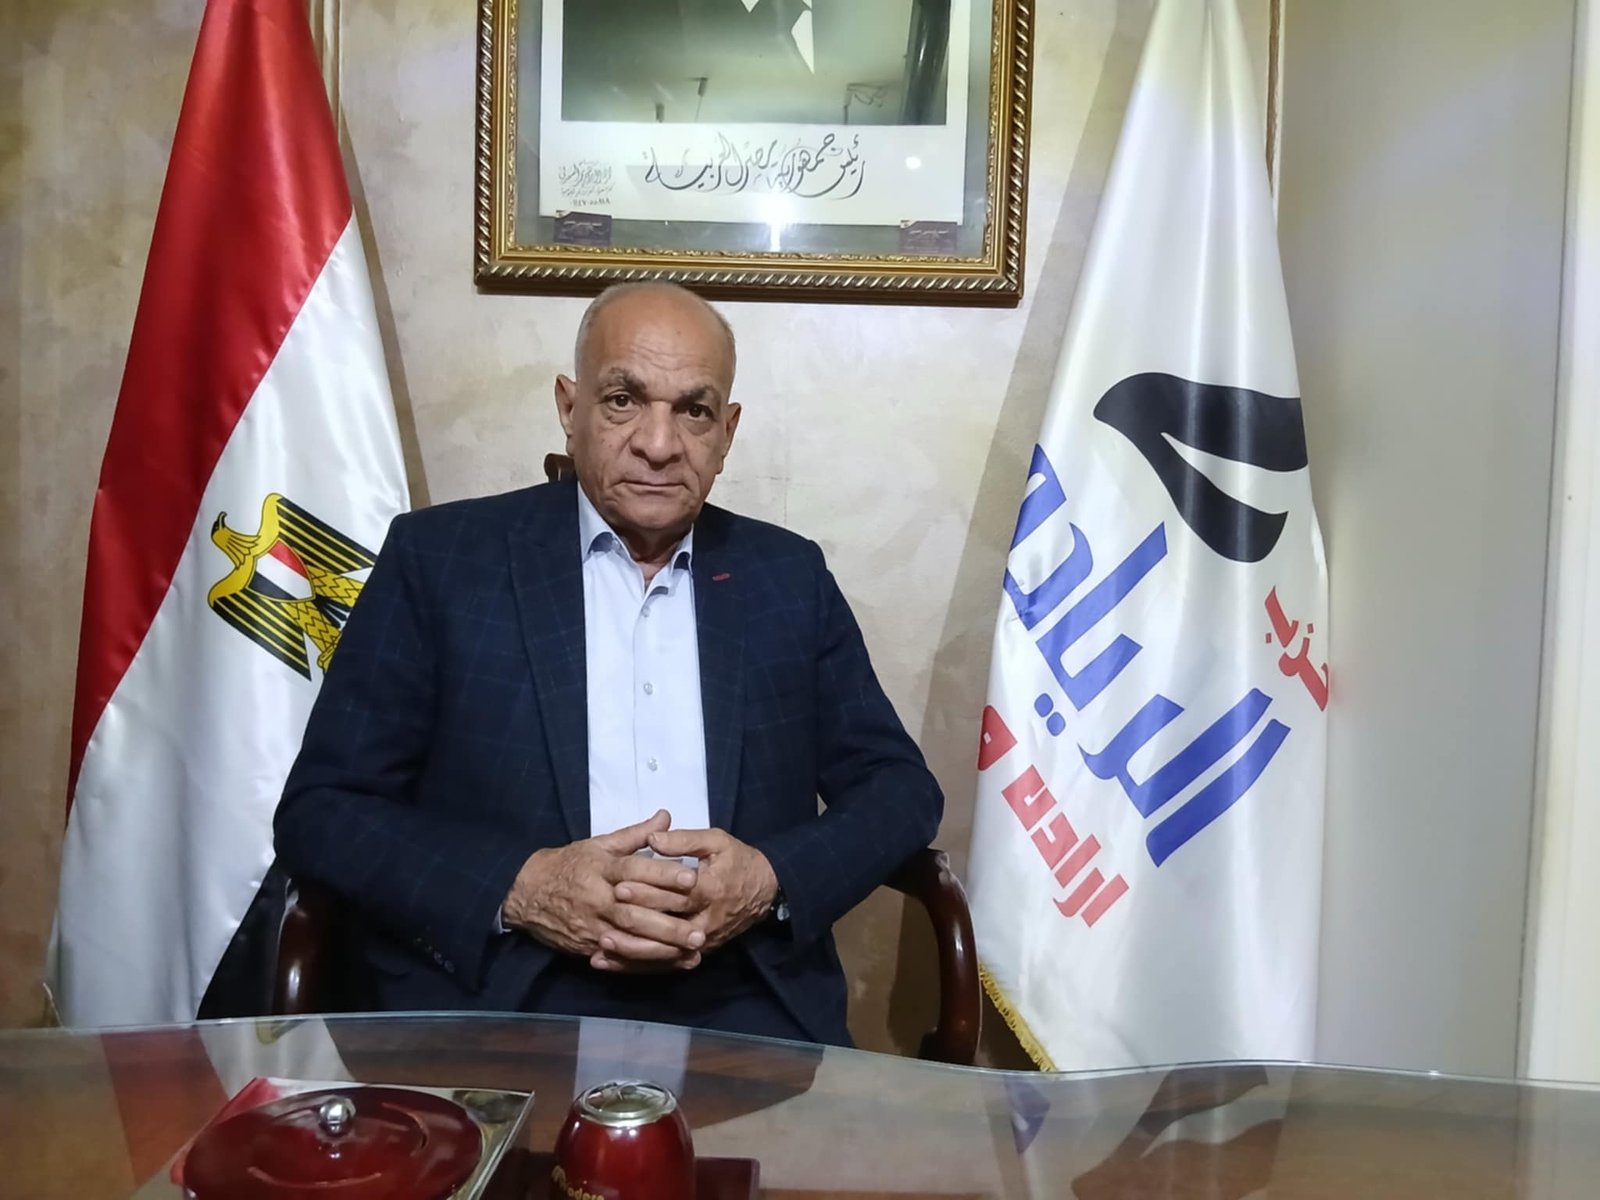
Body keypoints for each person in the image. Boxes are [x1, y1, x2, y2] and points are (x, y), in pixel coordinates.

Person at [274, 283, 943, 1046]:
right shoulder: (442, 561)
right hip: (503, 1000)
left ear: (727, 432)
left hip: (744, 1005)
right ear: (570, 407)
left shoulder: (787, 577)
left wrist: (768, 879)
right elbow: (323, 811)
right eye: (624, 400)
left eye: (693, 411)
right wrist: (523, 887)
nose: (659, 444)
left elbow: (900, 791)